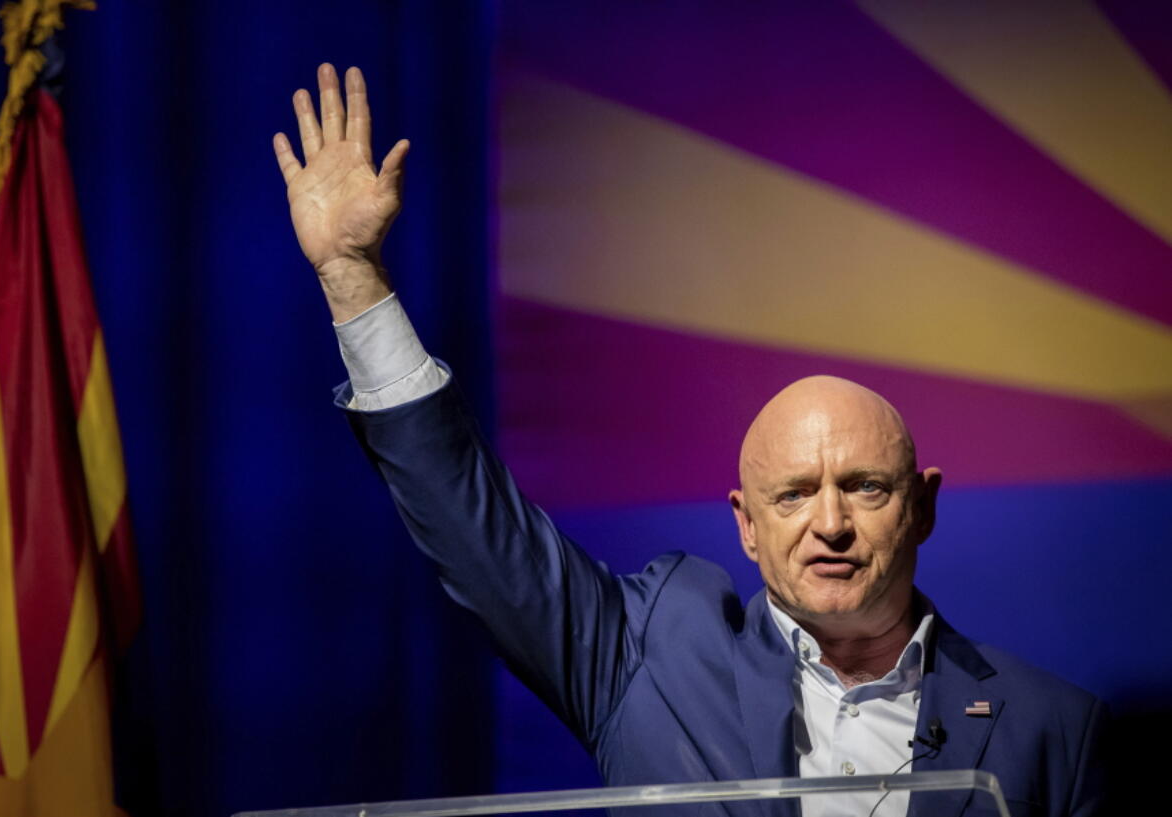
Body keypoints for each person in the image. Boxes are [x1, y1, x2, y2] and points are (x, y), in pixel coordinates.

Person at [272, 64, 1108, 817]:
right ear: (746, 523)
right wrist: (354, 278)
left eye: (864, 486)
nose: (830, 523)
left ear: (923, 504)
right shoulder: (648, 658)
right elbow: (477, 533)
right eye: (793, 494)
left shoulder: (1051, 728)